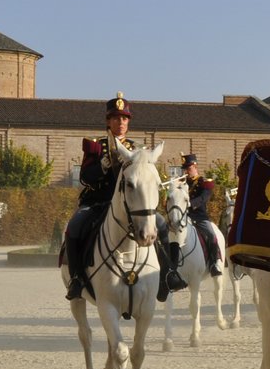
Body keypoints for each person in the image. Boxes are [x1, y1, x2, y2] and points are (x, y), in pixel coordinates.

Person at [63, 93, 180, 302]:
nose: (121, 122)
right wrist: (102, 166)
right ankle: (77, 278)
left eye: (125, 118)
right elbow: (85, 178)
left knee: (161, 225)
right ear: (108, 121)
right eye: (116, 118)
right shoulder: (96, 146)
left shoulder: (137, 149)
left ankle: (167, 275)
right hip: (98, 203)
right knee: (75, 226)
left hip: (131, 207)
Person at [177, 153, 223, 277]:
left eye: (189, 168)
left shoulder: (205, 182)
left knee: (211, 234)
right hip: (183, 216)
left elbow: (203, 198)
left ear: (195, 166)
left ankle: (215, 262)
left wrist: (189, 204)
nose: (187, 171)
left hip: (199, 216)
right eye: (185, 168)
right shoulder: (181, 183)